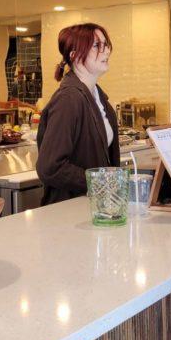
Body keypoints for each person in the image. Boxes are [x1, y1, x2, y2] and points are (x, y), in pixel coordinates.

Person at [36, 23, 120, 205]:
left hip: (95, 208)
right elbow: (50, 167)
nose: (106, 51)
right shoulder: (68, 99)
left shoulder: (99, 98)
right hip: (68, 212)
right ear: (74, 55)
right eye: (97, 46)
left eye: (106, 45)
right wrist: (99, 182)